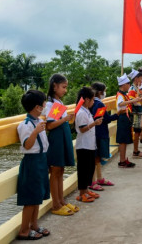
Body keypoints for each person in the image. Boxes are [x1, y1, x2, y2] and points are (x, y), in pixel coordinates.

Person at [16, 90, 51, 240]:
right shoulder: (25, 125)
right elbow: (28, 145)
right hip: (32, 162)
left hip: (41, 160)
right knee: (30, 199)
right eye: (43, 103)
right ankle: (24, 230)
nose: (45, 105)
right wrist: (35, 132)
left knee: (37, 197)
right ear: (37, 107)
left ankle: (34, 225)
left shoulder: (38, 121)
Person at [45, 74, 78, 216]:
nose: (65, 90)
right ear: (54, 86)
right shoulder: (51, 104)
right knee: (55, 171)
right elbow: (50, 125)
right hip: (56, 140)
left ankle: (61, 201)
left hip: (62, 138)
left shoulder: (58, 102)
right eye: (63, 87)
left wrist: (67, 119)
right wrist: (65, 118)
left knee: (61, 170)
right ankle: (56, 204)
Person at [75, 87, 102, 203]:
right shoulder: (81, 113)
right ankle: (81, 193)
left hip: (90, 145)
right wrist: (94, 123)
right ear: (86, 100)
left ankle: (86, 190)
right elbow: (82, 129)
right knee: (83, 170)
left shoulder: (86, 111)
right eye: (91, 100)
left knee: (89, 169)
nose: (92, 102)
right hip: (83, 146)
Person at [89, 82, 118, 190]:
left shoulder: (92, 103)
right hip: (100, 133)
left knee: (96, 157)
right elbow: (106, 119)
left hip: (93, 133)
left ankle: (99, 178)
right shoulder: (100, 104)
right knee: (96, 157)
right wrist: (117, 115)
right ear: (101, 92)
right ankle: (93, 181)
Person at [116, 73, 141, 168]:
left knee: (125, 140)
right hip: (122, 118)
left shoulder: (123, 94)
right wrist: (132, 101)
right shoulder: (120, 95)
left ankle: (123, 159)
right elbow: (121, 104)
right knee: (122, 141)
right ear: (123, 85)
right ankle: (122, 161)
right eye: (128, 83)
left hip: (125, 118)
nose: (129, 85)